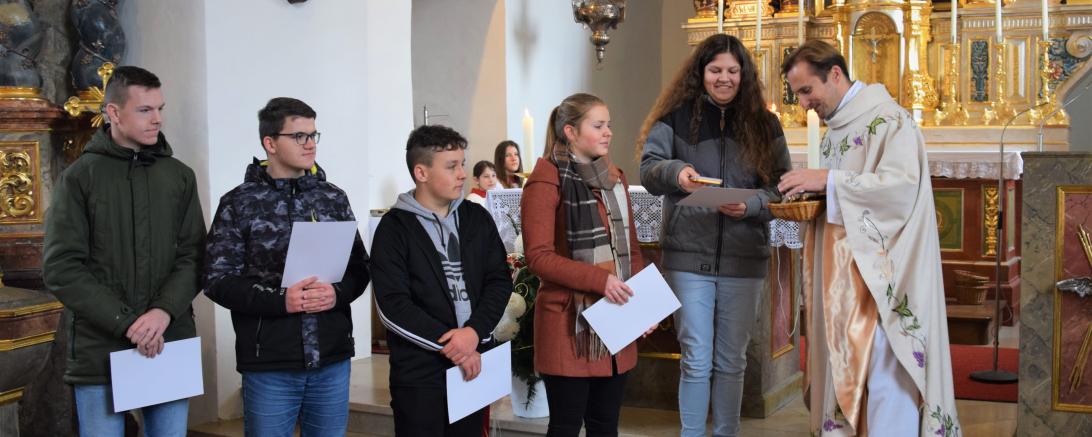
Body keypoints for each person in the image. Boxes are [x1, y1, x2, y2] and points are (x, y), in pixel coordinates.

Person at [778, 40, 960, 437]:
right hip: (842, 281)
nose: (804, 104)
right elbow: (842, 196)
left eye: (807, 90)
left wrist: (828, 181)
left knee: (884, 372)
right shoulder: (834, 130)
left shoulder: (890, 121)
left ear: (835, 74)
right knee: (848, 365)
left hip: (882, 278)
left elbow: (901, 190)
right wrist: (815, 194)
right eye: (798, 94)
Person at [637, 34, 791, 437]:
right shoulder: (674, 118)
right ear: (700, 73)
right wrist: (677, 173)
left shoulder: (765, 125)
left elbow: (781, 187)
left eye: (733, 71)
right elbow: (649, 170)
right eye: (715, 70)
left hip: (744, 258)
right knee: (696, 359)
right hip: (689, 258)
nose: (724, 78)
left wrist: (752, 205)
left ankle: (726, 432)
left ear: (744, 75)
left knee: (731, 361)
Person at [43, 66, 205, 437]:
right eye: (145, 110)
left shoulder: (180, 176)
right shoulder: (79, 178)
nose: (157, 119)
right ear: (114, 113)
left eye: (160, 108)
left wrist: (162, 312)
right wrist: (127, 323)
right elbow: (62, 267)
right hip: (101, 345)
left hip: (167, 338)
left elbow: (195, 256)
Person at [203, 97, 370, 437]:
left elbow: (359, 268)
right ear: (270, 143)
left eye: (313, 135)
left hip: (331, 356)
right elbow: (217, 280)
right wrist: (282, 300)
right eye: (298, 136)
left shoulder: (332, 197)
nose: (310, 144)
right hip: (270, 362)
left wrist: (336, 294)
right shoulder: (239, 202)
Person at [371, 124, 512, 436]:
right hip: (421, 372)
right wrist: (453, 344)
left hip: (473, 363)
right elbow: (393, 305)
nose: (462, 174)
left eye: (462, 164)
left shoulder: (476, 217)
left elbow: (499, 280)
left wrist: (473, 332)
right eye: (451, 166)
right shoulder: (394, 229)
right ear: (421, 172)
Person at [521, 93, 646, 437]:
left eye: (609, 125)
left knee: (605, 427)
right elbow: (539, 257)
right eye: (598, 125)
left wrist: (641, 308)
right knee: (565, 427)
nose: (608, 132)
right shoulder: (546, 180)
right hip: (569, 324)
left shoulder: (614, 177)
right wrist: (599, 280)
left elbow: (632, 250)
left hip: (616, 321)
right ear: (570, 132)